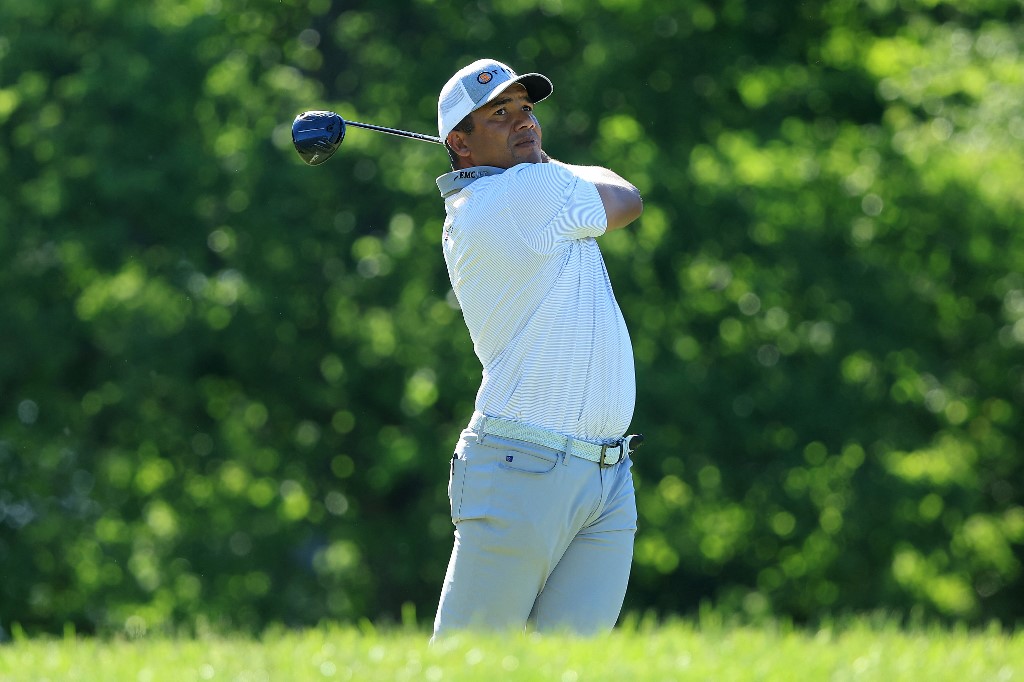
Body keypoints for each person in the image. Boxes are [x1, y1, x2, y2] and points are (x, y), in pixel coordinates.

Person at [431, 58, 645, 640]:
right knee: (467, 667)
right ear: (461, 144)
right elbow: (626, 197)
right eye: (498, 114)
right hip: (524, 465)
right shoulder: (517, 196)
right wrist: (548, 165)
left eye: (526, 109)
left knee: (565, 671)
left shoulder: (523, 191)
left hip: (605, 473)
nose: (523, 122)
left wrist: (538, 162)